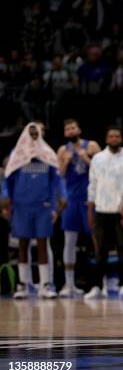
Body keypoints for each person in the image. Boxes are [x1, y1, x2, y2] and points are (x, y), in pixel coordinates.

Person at [5, 123, 61, 299]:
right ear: (25, 134)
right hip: (21, 206)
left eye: (36, 133)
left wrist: (54, 206)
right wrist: (7, 205)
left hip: (42, 206)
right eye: (31, 133)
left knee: (42, 244)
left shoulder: (48, 155)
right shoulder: (17, 156)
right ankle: (23, 284)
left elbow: (55, 184)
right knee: (22, 244)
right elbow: (7, 182)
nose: (34, 136)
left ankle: (45, 284)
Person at [85, 127, 123, 299]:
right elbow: (92, 184)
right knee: (100, 251)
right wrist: (90, 209)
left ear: (121, 138)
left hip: (120, 210)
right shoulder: (98, 159)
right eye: (111, 136)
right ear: (106, 139)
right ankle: (97, 286)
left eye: (117, 136)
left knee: (122, 250)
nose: (114, 139)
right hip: (101, 209)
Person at [57, 119, 101, 297]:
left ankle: (101, 282)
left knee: (96, 240)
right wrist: (65, 163)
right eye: (67, 129)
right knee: (69, 241)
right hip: (71, 200)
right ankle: (69, 284)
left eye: (73, 127)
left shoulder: (91, 146)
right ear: (65, 133)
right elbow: (58, 176)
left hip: (89, 198)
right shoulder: (62, 150)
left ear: (79, 129)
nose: (70, 130)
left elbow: (101, 170)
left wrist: (86, 159)